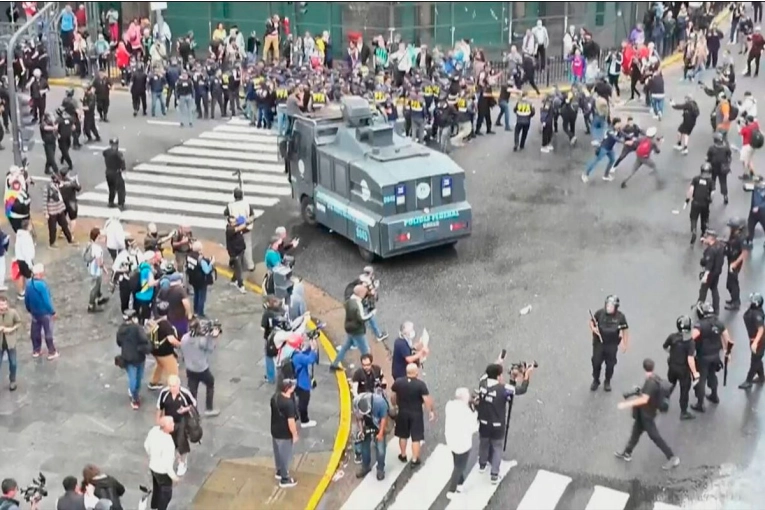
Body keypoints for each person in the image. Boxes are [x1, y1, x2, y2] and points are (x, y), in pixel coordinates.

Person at [615, 358, 680, 470]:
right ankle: (627, 452)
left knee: (655, 437)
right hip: (643, 413)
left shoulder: (650, 382)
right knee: (635, 433)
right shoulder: (654, 378)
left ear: (644, 367)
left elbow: (644, 400)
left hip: (647, 414)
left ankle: (672, 457)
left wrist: (626, 404)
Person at [475, 361, 531, 484]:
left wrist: (498, 361)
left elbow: (486, 374)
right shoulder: (503, 388)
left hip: (483, 422)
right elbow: (521, 389)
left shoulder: (482, 384)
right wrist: (526, 375)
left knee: (483, 444)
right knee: (497, 447)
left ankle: (482, 465)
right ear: (498, 376)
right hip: (497, 425)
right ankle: (494, 474)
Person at [690, 301, 733, 412]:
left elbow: (692, 337)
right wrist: (727, 352)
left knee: (701, 379)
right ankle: (714, 395)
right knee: (712, 375)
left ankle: (700, 404)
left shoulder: (700, 325)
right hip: (715, 355)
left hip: (703, 356)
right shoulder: (718, 323)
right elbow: (727, 338)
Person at [390, 363, 434, 466]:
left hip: (402, 412)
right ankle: (415, 459)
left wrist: (395, 405)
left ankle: (403, 455)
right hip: (416, 413)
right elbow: (426, 400)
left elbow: (393, 396)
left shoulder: (398, 382)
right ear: (416, 372)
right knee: (416, 437)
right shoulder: (420, 385)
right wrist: (430, 411)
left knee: (403, 435)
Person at [180, 317, 222, 417]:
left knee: (192, 391)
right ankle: (209, 408)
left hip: (190, 368)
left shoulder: (184, 338)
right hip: (202, 369)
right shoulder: (201, 341)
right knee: (210, 382)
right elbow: (211, 349)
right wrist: (213, 337)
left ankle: (192, 411)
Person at [156, 374, 196, 477]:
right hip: (169, 421)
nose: (172, 388)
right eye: (170, 386)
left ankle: (182, 462)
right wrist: (158, 421)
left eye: (174, 386)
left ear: (179, 384)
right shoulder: (164, 393)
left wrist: (185, 409)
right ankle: (174, 459)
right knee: (171, 442)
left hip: (182, 420)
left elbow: (193, 404)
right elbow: (159, 407)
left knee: (181, 441)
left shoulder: (185, 394)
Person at [589, 295, 629, 392]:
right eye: (607, 305)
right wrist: (593, 328)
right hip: (599, 343)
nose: (608, 307)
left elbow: (625, 329)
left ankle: (607, 381)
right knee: (596, 362)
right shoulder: (600, 313)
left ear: (615, 307)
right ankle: (596, 380)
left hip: (612, 344)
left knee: (610, 364)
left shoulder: (620, 317)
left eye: (611, 306)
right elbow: (592, 322)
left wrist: (625, 343)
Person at [662, 316, 699, 420]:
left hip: (672, 366)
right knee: (684, 390)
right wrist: (695, 372)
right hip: (683, 370)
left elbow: (665, 347)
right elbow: (690, 359)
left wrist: (673, 353)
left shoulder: (672, 337)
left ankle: (663, 401)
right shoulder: (690, 342)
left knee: (670, 384)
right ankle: (683, 412)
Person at [330, 284, 375, 371]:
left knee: (345, 347)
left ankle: (335, 364)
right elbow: (362, 318)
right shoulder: (357, 304)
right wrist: (371, 314)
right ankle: (368, 369)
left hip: (349, 328)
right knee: (366, 351)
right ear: (360, 294)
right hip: (358, 331)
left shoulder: (349, 300)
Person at [444, 387, 478, 499]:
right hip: (463, 443)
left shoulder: (449, 405)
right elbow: (474, 428)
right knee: (459, 466)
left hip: (451, 439)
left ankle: (460, 483)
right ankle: (452, 490)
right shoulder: (468, 412)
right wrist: (475, 412)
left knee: (456, 461)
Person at [117, 310, 152, 409]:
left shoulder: (120, 329)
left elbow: (119, 343)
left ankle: (134, 395)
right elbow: (144, 339)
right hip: (139, 356)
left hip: (127, 357)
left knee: (132, 378)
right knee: (138, 378)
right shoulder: (137, 328)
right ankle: (135, 396)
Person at [144, 417, 179, 510]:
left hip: (153, 466)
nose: (173, 424)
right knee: (166, 494)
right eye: (171, 423)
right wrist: (174, 477)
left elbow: (146, 445)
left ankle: (154, 507)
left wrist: (152, 456)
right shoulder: (168, 442)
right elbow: (167, 464)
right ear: (165, 427)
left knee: (157, 489)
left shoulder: (154, 430)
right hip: (163, 472)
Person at [353, 391, 389, 481]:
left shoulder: (380, 403)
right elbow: (358, 418)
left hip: (378, 423)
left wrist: (380, 433)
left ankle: (380, 469)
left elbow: (384, 419)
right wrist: (361, 430)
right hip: (367, 424)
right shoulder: (356, 402)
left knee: (380, 448)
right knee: (364, 446)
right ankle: (365, 466)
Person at [24, 264, 58, 360]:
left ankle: (36, 350)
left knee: (35, 331)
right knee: (48, 332)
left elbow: (26, 299)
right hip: (44, 313)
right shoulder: (42, 285)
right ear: (40, 273)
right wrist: (52, 312)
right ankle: (51, 351)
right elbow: (46, 301)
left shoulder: (28, 283)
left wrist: (29, 309)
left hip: (34, 312)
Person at [271, 377, 299, 488]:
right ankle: (285, 478)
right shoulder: (289, 404)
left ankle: (279, 471)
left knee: (277, 453)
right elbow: (291, 422)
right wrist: (295, 434)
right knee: (285, 456)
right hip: (284, 434)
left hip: (274, 431)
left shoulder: (275, 397)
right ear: (288, 388)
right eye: (292, 385)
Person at [740, 293, 765, 389]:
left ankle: (748, 380)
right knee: (757, 359)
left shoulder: (757, 315)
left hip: (759, 341)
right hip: (754, 339)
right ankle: (761, 377)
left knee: (754, 361)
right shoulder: (753, 311)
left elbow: (761, 329)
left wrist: (755, 343)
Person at [698, 230, 726, 316]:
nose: (705, 238)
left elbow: (709, 264)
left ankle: (700, 305)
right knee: (714, 288)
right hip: (717, 271)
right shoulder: (719, 245)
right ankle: (716, 309)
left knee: (703, 289)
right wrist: (705, 242)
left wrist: (705, 276)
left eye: (707, 237)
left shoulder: (711, 251)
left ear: (711, 238)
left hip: (711, 272)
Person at [686, 163, 714, 245]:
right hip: (705, 203)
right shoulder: (710, 181)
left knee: (693, 218)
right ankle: (703, 233)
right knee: (704, 218)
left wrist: (688, 198)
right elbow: (713, 193)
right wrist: (710, 200)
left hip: (695, 202)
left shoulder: (696, 179)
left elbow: (691, 189)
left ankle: (694, 230)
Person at [724, 217, 747, 311]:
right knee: (729, 283)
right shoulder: (733, 236)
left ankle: (736, 303)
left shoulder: (741, 238)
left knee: (732, 283)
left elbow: (744, 253)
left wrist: (735, 264)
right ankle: (734, 299)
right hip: (731, 260)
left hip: (735, 262)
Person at [0, 295, 21, 392]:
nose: (3, 307)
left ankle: (13, 381)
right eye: (1, 305)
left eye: (4, 304)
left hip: (10, 342)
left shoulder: (12, 313)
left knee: (13, 363)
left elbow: (19, 323)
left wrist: (11, 329)